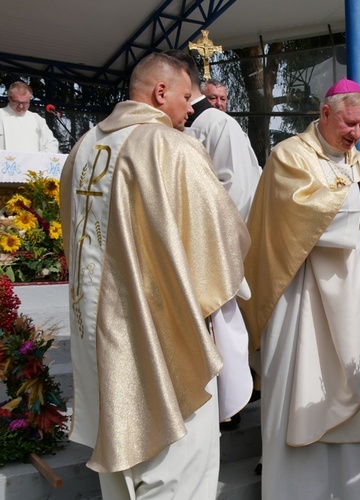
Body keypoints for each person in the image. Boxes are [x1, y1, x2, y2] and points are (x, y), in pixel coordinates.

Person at [59, 52, 250, 499]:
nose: (190, 109)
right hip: (162, 337)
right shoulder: (171, 147)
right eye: (186, 97)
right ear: (159, 93)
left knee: (120, 471)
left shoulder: (83, 147)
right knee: (179, 469)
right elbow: (223, 240)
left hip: (96, 342)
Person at [242, 78, 360, 500]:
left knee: (353, 410)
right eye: (349, 123)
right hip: (301, 308)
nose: (355, 134)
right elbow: (296, 218)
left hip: (352, 309)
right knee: (301, 394)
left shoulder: (356, 162)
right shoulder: (290, 156)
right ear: (325, 113)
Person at [164, 49, 262, 430]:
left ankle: (228, 405)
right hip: (190, 242)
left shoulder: (216, 123)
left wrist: (209, 241)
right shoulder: (181, 125)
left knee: (221, 328)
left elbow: (236, 188)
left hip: (214, 244)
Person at [0, 81, 58, 153]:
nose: (21, 106)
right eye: (17, 102)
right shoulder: (1, 115)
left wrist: (39, 159)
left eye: (25, 103)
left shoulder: (37, 119)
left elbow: (51, 144)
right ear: (9, 98)